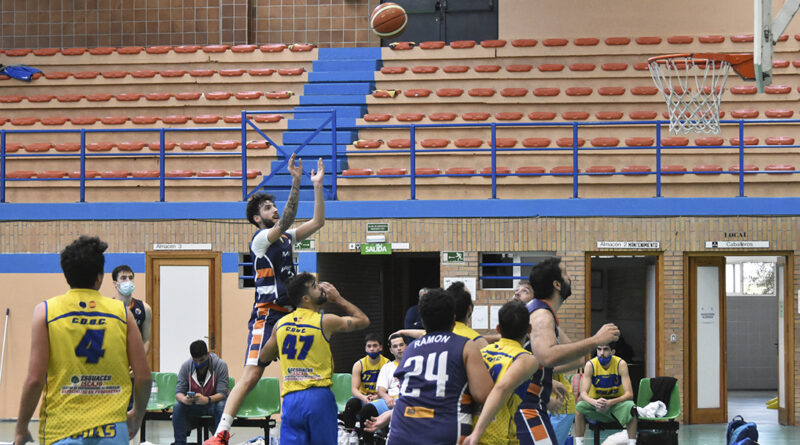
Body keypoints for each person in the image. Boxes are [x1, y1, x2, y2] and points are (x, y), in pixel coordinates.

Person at [206, 154, 326, 445]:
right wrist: (296, 181)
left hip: (291, 314)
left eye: (274, 205)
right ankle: (221, 433)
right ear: (257, 218)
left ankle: (297, 427)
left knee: (301, 370)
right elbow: (287, 220)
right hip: (267, 315)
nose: (274, 209)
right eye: (268, 207)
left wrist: (317, 186)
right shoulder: (261, 240)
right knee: (251, 375)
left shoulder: (286, 238)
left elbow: (319, 221)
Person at [14, 236, 152, 445]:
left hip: (62, 429)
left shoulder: (46, 311)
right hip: (111, 430)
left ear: (66, 275)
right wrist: (137, 415)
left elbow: (35, 380)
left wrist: (21, 428)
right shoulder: (122, 313)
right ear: (100, 277)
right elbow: (144, 377)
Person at [257, 272, 370, 445]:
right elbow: (363, 320)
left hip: (291, 399)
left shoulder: (281, 324)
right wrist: (338, 299)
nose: (322, 288)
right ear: (306, 298)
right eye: (315, 286)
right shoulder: (324, 321)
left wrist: (279, 351)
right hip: (318, 396)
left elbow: (264, 356)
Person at [524, 257, 620, 444]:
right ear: (557, 284)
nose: (570, 278)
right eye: (566, 273)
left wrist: (546, 380)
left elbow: (577, 361)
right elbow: (547, 357)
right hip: (526, 407)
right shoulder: (542, 316)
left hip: (534, 404)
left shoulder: (544, 313)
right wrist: (596, 340)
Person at [383, 288, 494, 445]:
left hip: (401, 430)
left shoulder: (411, 349)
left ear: (422, 321)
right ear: (454, 320)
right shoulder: (466, 346)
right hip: (443, 430)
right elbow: (483, 394)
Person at [462, 300, 539, 445]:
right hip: (497, 437)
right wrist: (478, 432)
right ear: (529, 328)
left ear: (498, 328)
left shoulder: (482, 352)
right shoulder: (525, 358)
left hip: (468, 430)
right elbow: (501, 387)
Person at [574, 343, 637, 445]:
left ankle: (632, 443)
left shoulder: (621, 364)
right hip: (596, 405)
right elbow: (583, 393)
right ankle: (579, 443)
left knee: (631, 407)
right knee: (579, 408)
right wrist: (594, 402)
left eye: (606, 349)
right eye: (599, 349)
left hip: (616, 405)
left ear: (613, 352)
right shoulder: (590, 365)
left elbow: (629, 394)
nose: (602, 353)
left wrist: (610, 402)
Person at [172, 340, 230, 445]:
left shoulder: (220, 365)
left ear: (208, 354)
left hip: (213, 404)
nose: (199, 364)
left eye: (202, 360)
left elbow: (223, 393)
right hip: (194, 405)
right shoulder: (186, 366)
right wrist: (184, 399)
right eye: (196, 360)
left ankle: (220, 442)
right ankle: (179, 443)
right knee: (178, 406)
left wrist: (207, 399)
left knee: (222, 405)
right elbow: (178, 393)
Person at [355, 333, 406, 444]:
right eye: (395, 346)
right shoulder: (387, 367)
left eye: (401, 345)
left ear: (406, 346)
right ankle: (368, 442)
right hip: (390, 400)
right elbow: (381, 390)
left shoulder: (416, 363)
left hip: (408, 401)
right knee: (367, 410)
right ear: (391, 350)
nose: (399, 348)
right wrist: (387, 398)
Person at [339, 333, 389, 429]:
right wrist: (364, 398)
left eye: (375, 346)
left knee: (371, 409)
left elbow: (389, 389)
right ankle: (349, 432)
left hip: (380, 398)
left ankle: (367, 435)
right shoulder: (359, 364)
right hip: (363, 397)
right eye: (369, 346)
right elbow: (354, 389)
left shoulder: (387, 364)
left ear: (381, 347)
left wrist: (377, 396)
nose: (372, 349)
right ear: (365, 348)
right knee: (352, 404)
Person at [111, 265, 152, 355]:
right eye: (123, 278)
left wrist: (138, 361)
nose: (128, 281)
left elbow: (146, 340)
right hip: (113, 358)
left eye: (130, 278)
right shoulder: (107, 308)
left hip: (135, 357)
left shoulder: (145, 308)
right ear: (115, 283)